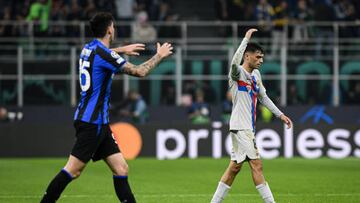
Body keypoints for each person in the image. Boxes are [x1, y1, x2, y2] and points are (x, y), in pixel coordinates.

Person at [40, 12, 173, 203]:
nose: (115, 29)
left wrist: (120, 49)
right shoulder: (105, 54)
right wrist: (159, 56)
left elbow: (102, 53)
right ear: (110, 29)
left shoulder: (88, 48)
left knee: (121, 168)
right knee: (73, 170)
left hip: (97, 122)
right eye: (114, 26)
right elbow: (139, 71)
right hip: (92, 123)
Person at [210, 28, 292, 203]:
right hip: (242, 127)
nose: (261, 60)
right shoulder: (237, 73)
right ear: (247, 56)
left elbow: (263, 97)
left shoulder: (256, 75)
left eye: (262, 57)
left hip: (245, 127)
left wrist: (280, 115)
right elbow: (234, 62)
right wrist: (245, 39)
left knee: (234, 168)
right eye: (257, 56)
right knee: (257, 165)